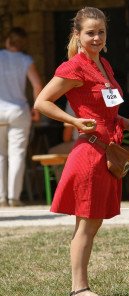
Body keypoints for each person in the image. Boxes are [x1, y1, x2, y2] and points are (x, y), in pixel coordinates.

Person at [34, 7, 129, 296]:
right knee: (88, 222)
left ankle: (80, 285)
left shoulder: (104, 65)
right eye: (90, 32)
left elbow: (106, 111)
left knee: (92, 222)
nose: (96, 37)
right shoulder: (73, 67)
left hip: (109, 150)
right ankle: (79, 288)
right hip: (90, 152)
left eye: (101, 32)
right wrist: (72, 121)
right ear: (78, 34)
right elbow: (41, 102)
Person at [0, 27, 43, 207]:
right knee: (17, 153)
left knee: (0, 154)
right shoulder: (26, 60)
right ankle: (14, 197)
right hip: (18, 110)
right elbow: (37, 85)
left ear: (8, 40)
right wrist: (37, 108)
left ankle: (1, 197)